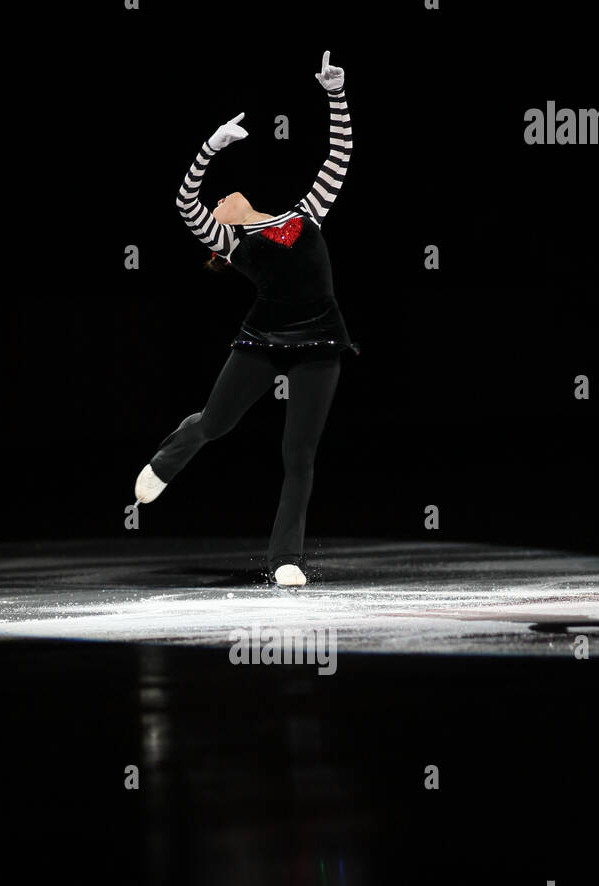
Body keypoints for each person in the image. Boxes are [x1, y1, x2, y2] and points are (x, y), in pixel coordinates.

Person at [133, 50, 358, 587]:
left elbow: (340, 157)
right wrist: (209, 148)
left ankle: (286, 558)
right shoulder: (230, 242)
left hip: (321, 342)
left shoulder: (307, 212)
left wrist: (335, 93)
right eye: (218, 201)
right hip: (260, 341)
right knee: (215, 423)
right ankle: (165, 463)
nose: (223, 197)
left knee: (298, 453)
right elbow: (186, 202)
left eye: (222, 195)